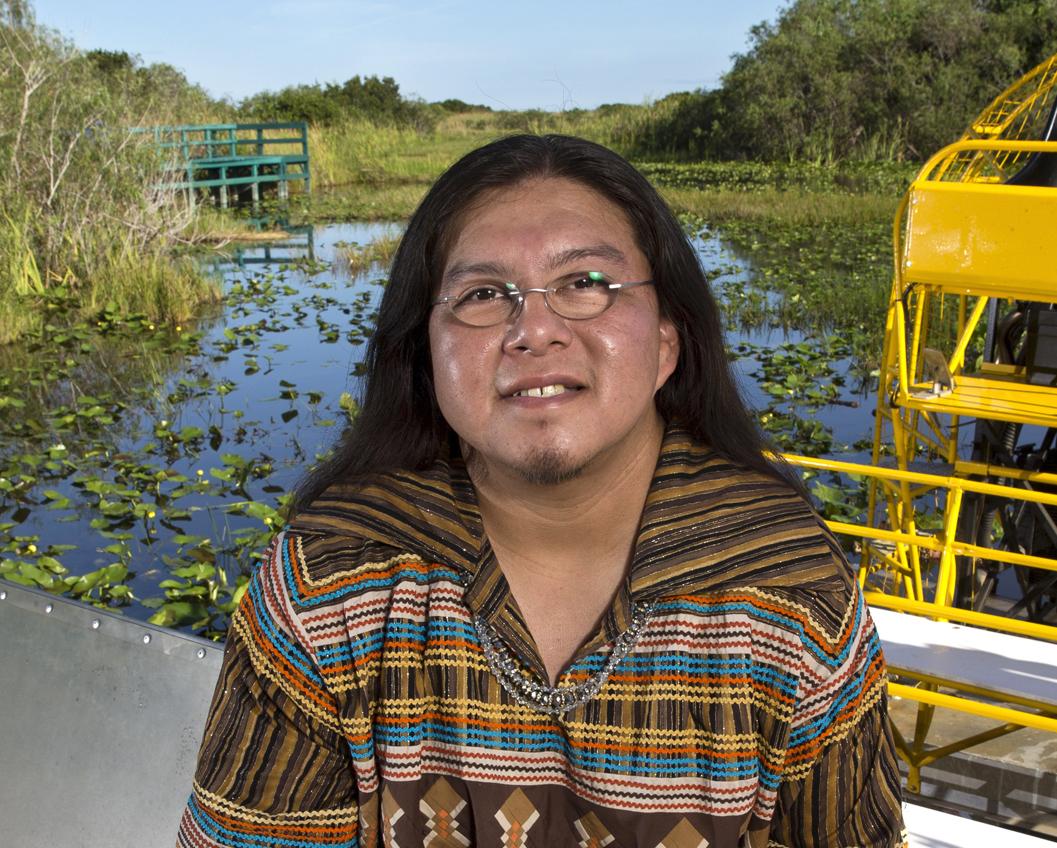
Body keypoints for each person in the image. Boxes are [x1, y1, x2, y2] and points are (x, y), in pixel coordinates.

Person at [177, 134, 906, 847]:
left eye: (585, 283)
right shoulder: (332, 588)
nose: (534, 331)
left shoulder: (790, 603)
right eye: (484, 294)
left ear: (665, 341)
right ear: (426, 355)